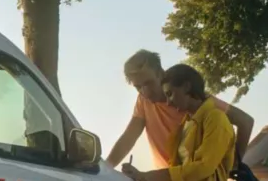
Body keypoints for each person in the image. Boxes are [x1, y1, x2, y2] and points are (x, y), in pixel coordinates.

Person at [106, 49, 255, 169]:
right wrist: (106, 168)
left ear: (161, 73)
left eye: (148, 83)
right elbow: (128, 138)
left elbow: (245, 121)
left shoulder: (194, 100)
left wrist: (235, 165)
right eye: (138, 87)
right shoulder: (143, 101)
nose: (145, 92)